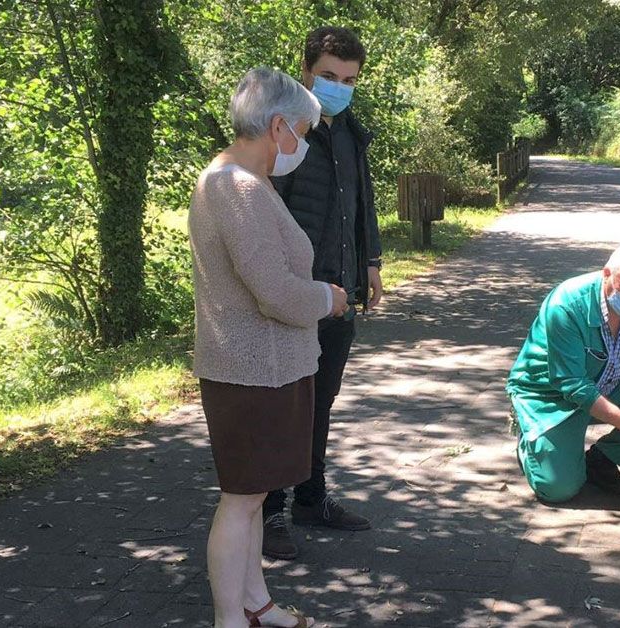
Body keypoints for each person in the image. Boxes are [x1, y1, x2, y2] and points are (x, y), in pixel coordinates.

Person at [188, 66, 347, 628]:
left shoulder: (239, 182)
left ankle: (256, 606)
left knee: (253, 496)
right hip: (251, 371)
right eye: (302, 133)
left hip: (264, 367)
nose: (301, 145)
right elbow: (275, 292)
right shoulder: (238, 189)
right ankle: (230, 619)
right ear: (279, 126)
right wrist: (327, 299)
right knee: (241, 500)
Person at [263, 25, 381, 559]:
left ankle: (312, 498)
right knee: (284, 404)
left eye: (349, 79)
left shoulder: (351, 131)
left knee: (322, 399)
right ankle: (268, 512)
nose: (339, 86)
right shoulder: (283, 131)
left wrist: (371, 264)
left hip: (340, 291)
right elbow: (263, 211)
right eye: (329, 76)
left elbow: (363, 205)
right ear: (306, 70)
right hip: (292, 296)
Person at [506, 244, 620, 503]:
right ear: (607, 274)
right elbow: (571, 384)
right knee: (558, 489)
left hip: (608, 383)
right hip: (551, 395)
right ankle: (530, 436)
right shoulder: (566, 303)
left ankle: (601, 460)